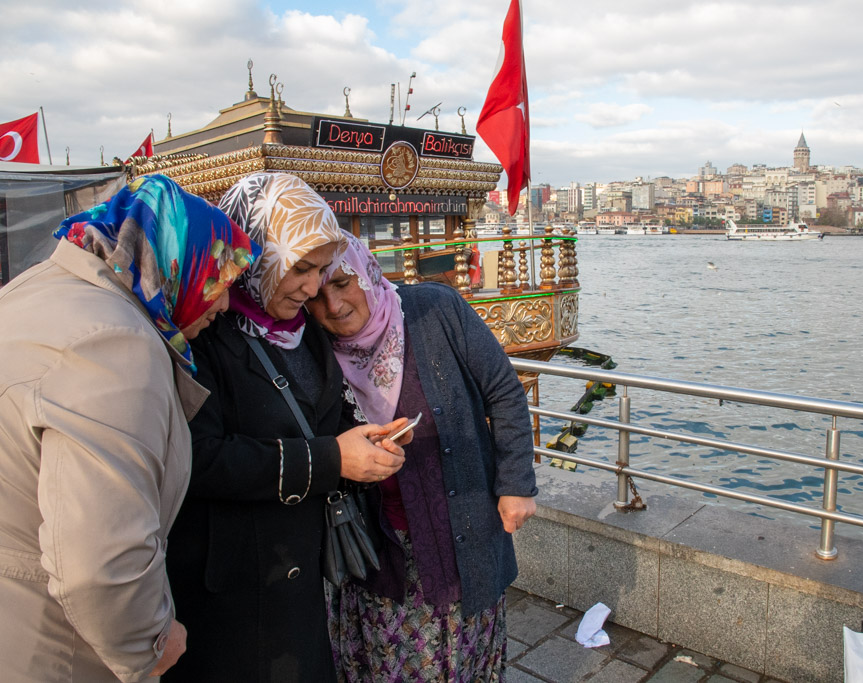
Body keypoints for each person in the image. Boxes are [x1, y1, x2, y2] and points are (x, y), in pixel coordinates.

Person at [0, 175, 259, 682]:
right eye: (217, 280)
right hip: (57, 649)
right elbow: (100, 565)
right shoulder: (118, 343)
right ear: (174, 262)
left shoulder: (32, 292)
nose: (225, 306)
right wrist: (151, 642)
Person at [163, 172, 409, 682]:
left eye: (321, 271)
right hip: (232, 592)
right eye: (300, 268)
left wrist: (367, 441)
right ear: (257, 256)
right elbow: (199, 458)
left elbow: (320, 416)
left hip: (301, 584)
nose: (313, 287)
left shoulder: (305, 330)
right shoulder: (205, 333)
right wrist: (332, 459)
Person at [306, 232, 538, 681]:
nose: (333, 306)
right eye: (316, 296)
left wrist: (515, 485)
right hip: (379, 554)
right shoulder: (314, 351)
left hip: (463, 541)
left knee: (466, 661)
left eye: (342, 283)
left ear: (367, 273)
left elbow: (505, 393)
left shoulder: (436, 309)